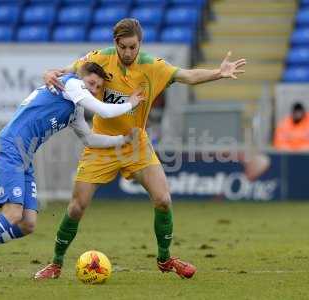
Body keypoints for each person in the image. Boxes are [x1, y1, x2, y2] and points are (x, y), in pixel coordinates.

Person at [34, 18, 246, 280]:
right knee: (77, 207)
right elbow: (67, 71)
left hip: (136, 143)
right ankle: (55, 264)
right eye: (123, 47)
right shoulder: (99, 59)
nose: (127, 53)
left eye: (132, 47)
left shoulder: (153, 66)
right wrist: (49, 73)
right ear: (116, 44)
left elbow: (186, 75)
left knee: (163, 200)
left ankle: (165, 258)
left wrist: (218, 72)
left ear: (139, 44)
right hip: (102, 143)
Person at [0, 62, 144, 282]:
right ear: (82, 78)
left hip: (25, 157)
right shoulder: (72, 84)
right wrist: (131, 103)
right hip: (9, 148)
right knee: (12, 213)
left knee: (27, 223)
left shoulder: (75, 107)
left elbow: (89, 138)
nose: (94, 90)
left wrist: (122, 140)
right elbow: (104, 111)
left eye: (98, 87)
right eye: (92, 83)